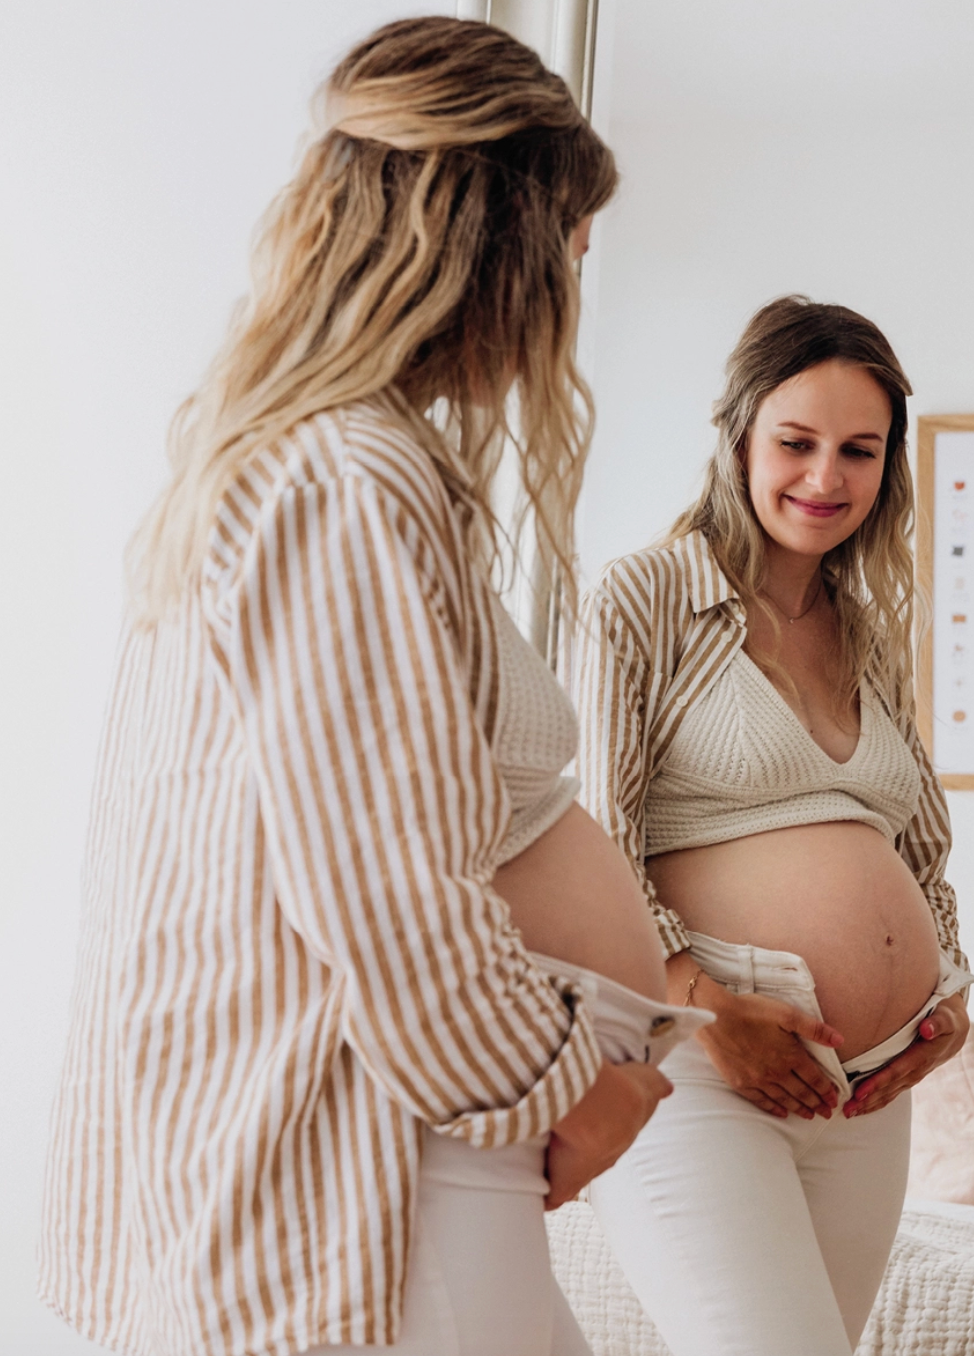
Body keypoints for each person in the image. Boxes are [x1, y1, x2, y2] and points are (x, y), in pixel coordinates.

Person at [38, 19, 707, 1356]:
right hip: (383, 1156)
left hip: (413, 1143)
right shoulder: (346, 481)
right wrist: (577, 1084)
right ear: (492, 236)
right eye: (569, 244)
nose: (574, 282)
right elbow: (387, 893)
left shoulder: (313, 464)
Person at [575, 296, 974, 1356]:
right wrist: (700, 1004)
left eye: (859, 450)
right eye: (795, 443)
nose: (824, 479)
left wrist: (950, 990)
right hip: (697, 1063)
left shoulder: (871, 633)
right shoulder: (644, 600)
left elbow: (919, 848)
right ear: (738, 437)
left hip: (864, 1088)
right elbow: (592, 834)